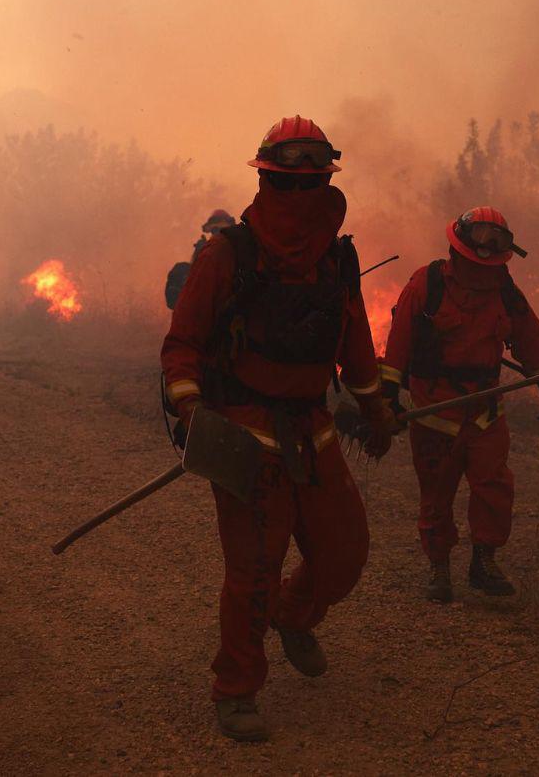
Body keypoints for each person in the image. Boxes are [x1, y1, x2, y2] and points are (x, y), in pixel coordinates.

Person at [161, 115, 398, 741]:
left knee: (344, 555)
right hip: (244, 431)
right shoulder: (227, 256)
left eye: (309, 185)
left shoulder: (337, 259)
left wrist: (375, 409)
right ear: (263, 180)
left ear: (326, 184)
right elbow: (181, 345)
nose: (297, 199)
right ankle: (236, 691)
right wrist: (193, 414)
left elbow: (356, 345)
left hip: (312, 426)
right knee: (255, 570)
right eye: (284, 185)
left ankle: (296, 618)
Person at [379, 206, 539, 603]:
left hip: (484, 412)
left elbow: (529, 336)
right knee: (436, 494)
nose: (484, 258)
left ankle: (484, 561)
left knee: (494, 488)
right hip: (434, 414)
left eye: (494, 248)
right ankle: (439, 567)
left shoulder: (505, 292)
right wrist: (388, 394)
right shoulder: (425, 285)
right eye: (478, 244)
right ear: (458, 245)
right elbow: (399, 344)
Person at [164, 209, 236, 309]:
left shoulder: (240, 256)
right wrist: (199, 257)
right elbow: (174, 301)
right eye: (215, 230)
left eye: (222, 230)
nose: (218, 235)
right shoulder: (203, 257)